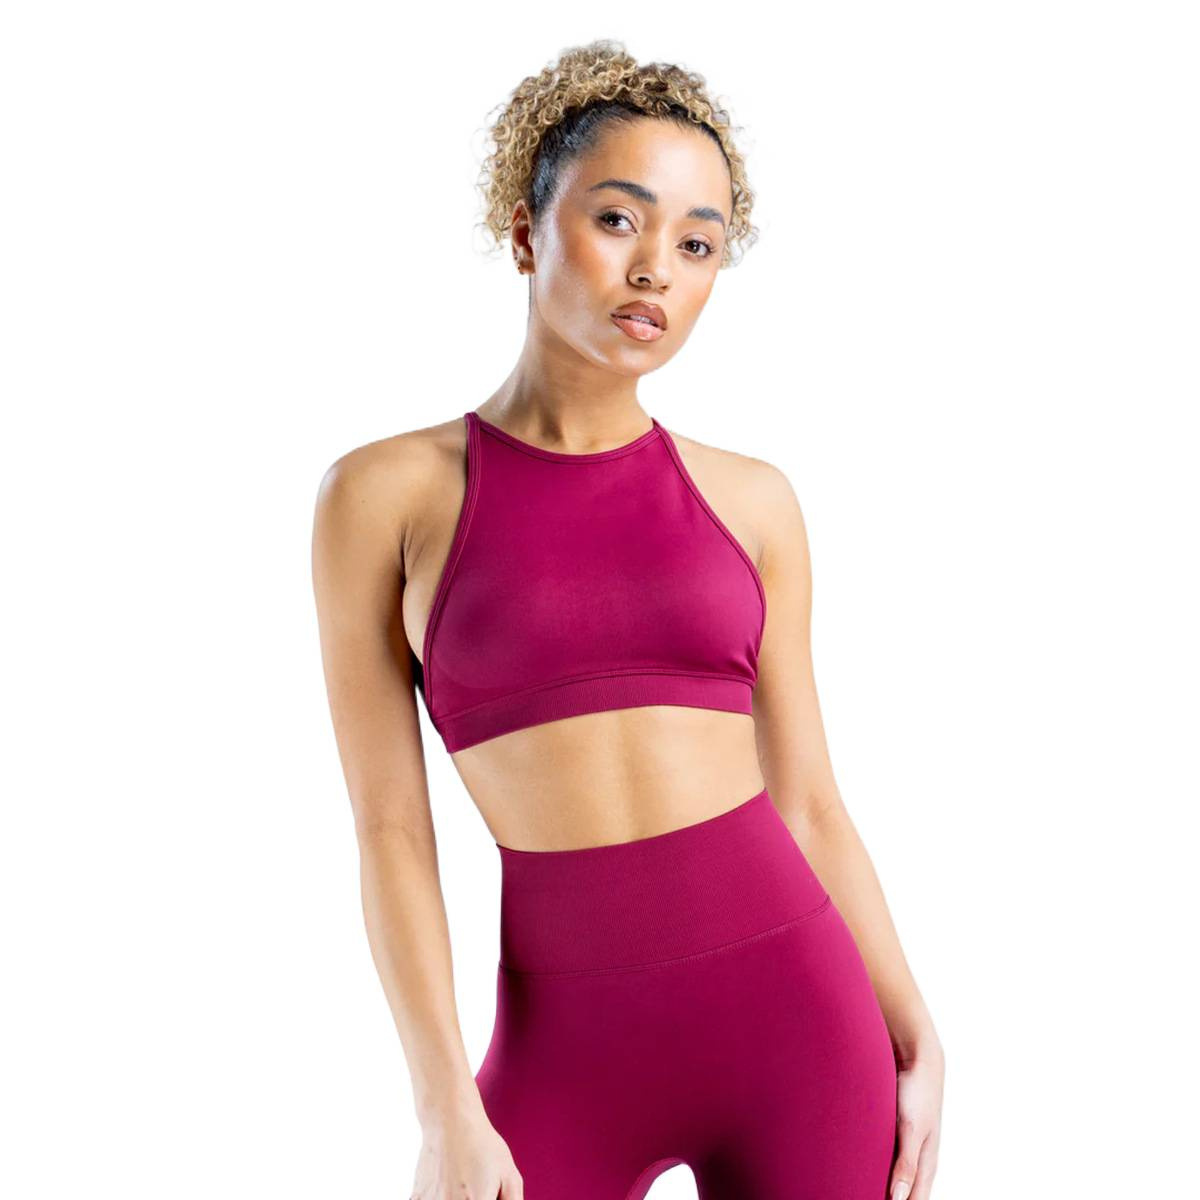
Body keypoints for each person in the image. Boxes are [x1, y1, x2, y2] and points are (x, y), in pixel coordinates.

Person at [312, 39, 944, 1200]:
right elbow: (390, 828)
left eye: (698, 244)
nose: (656, 268)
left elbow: (809, 800)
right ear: (524, 232)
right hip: (563, 1055)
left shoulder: (752, 501)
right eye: (618, 220)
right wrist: (445, 1110)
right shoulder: (385, 495)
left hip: (801, 1030)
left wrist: (916, 1034)